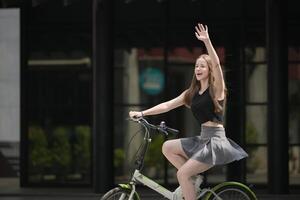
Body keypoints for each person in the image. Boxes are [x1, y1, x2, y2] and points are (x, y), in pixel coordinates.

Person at [129, 23, 248, 200]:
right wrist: (143, 113)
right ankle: (194, 179)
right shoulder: (191, 93)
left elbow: (216, 64)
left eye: (202, 66)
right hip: (202, 139)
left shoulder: (216, 90)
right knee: (167, 147)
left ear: (209, 71)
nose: (198, 69)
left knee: (182, 174)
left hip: (215, 141)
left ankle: (189, 181)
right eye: (196, 66)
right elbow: (167, 105)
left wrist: (207, 41)